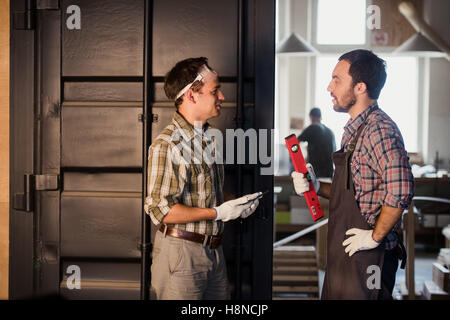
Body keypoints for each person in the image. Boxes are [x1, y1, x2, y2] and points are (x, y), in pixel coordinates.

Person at [292, 49, 414, 300]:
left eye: (336, 79)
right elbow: (352, 191)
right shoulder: (353, 131)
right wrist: (315, 186)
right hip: (347, 251)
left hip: (370, 258)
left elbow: (401, 189)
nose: (329, 87)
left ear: (360, 87)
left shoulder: (379, 129)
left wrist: (374, 236)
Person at [144, 57, 261, 300]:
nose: (222, 97)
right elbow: (161, 210)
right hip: (182, 256)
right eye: (215, 90)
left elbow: (209, 193)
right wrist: (218, 214)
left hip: (214, 253)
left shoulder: (209, 138)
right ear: (191, 96)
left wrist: (235, 204)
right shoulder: (167, 145)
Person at [298, 107, 336, 178]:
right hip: (329, 171)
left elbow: (296, 143)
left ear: (311, 116)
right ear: (320, 116)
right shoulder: (330, 131)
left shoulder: (312, 128)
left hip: (315, 171)